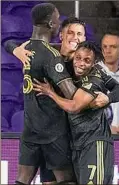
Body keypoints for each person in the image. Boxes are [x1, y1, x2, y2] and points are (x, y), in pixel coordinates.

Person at [32, 40, 119, 185]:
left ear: (94, 63)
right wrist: (109, 97)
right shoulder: (73, 68)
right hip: (78, 145)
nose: (81, 63)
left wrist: (50, 92)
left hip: (95, 143)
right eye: (78, 58)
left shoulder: (95, 79)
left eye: (87, 60)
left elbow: (74, 107)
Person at [4, 3, 79, 185]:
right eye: (57, 18)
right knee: (66, 180)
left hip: (30, 130)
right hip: (53, 132)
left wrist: (14, 49)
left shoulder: (25, 48)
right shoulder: (51, 56)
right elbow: (72, 95)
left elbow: (8, 43)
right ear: (51, 24)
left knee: (22, 180)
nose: (59, 22)